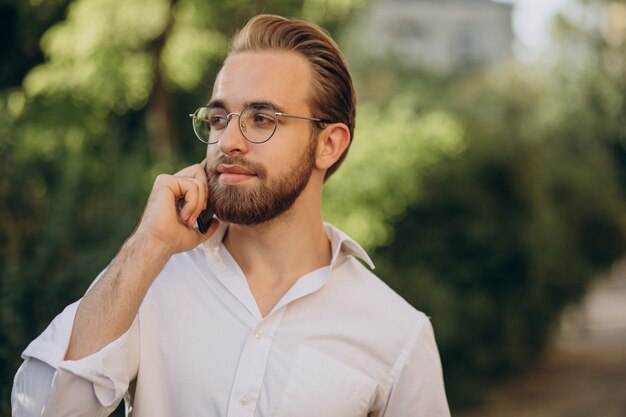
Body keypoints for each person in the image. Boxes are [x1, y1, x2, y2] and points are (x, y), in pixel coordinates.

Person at [11, 14, 450, 417]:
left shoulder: (398, 336)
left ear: (329, 144)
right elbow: (40, 410)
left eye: (262, 118)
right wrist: (148, 244)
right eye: (219, 117)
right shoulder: (151, 277)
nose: (228, 142)